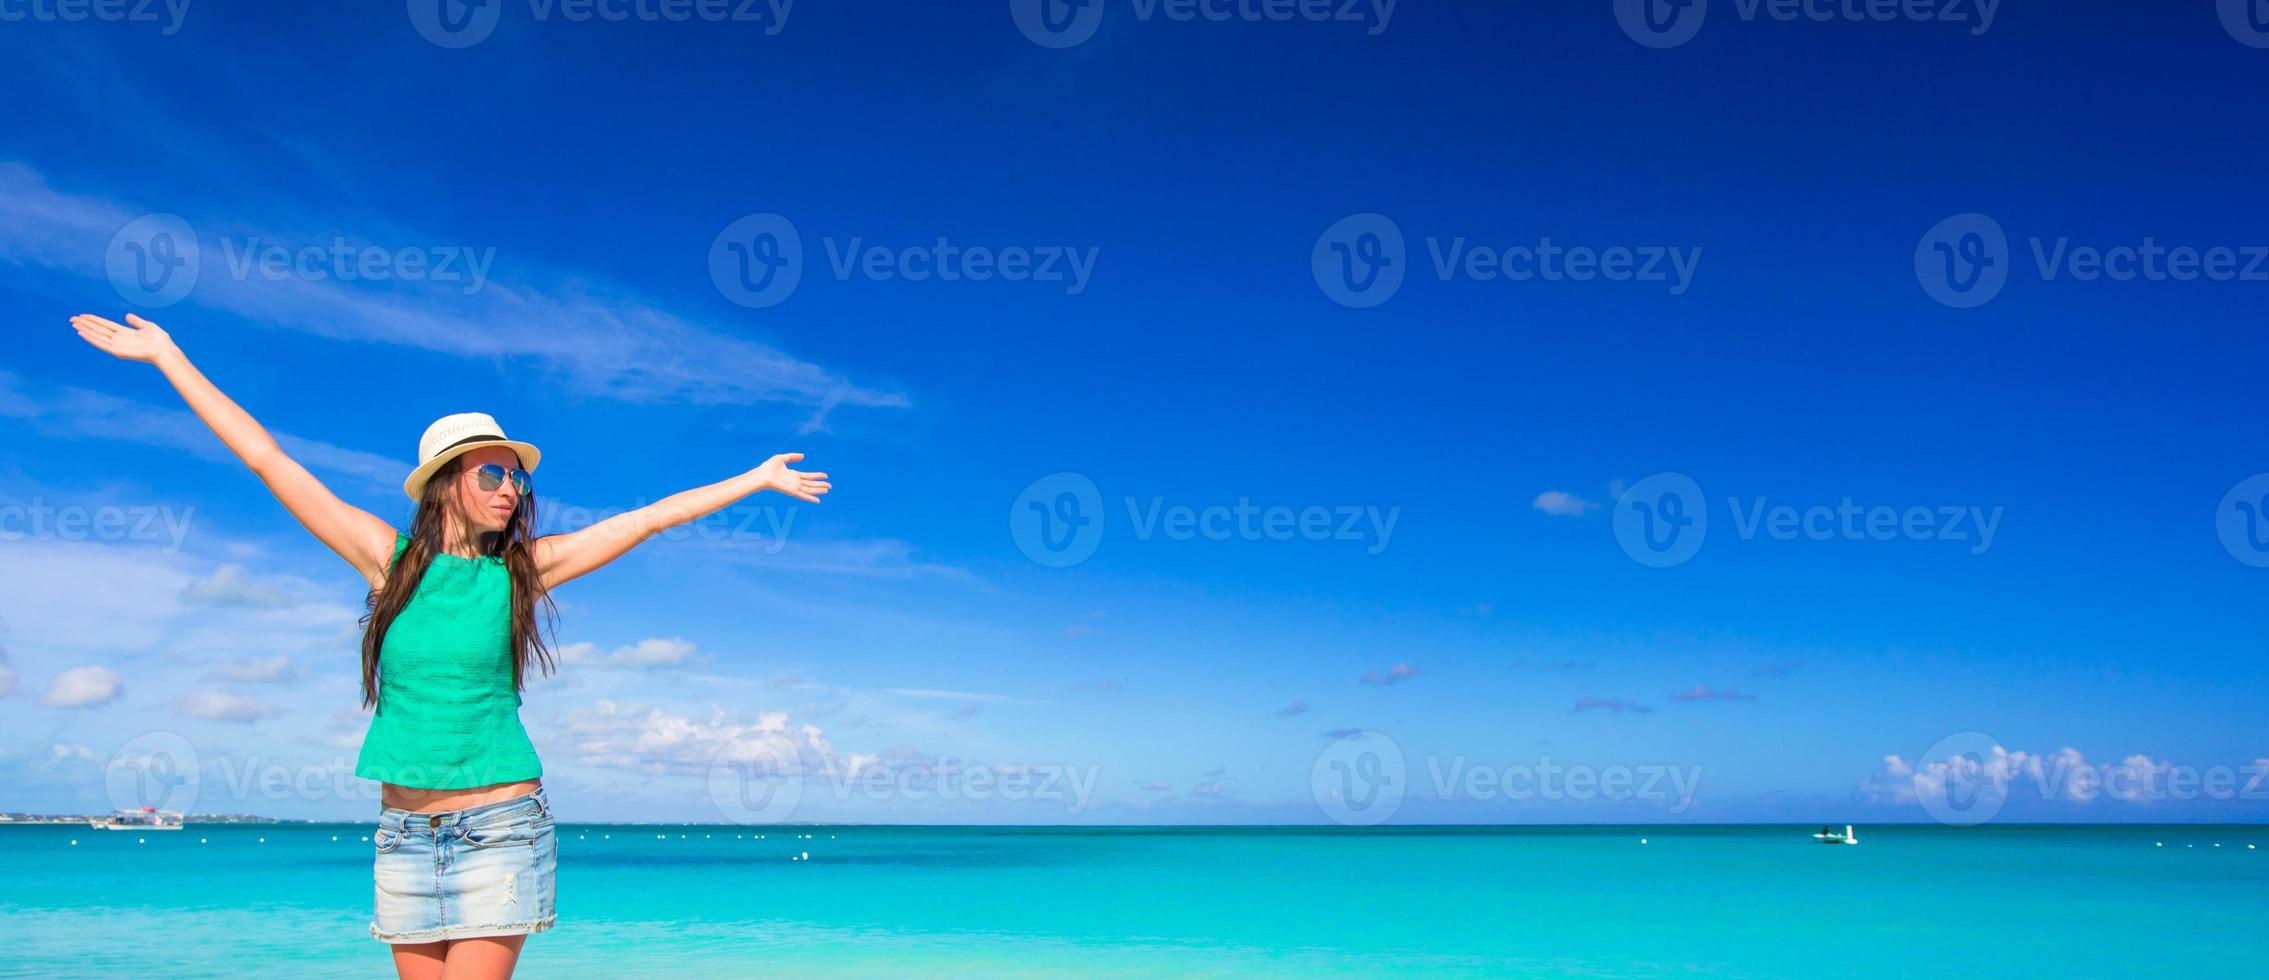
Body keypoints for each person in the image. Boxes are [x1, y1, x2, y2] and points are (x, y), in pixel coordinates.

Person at [70, 312, 831, 980]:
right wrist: (169, 357)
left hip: (499, 827)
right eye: (493, 472)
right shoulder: (388, 561)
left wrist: (755, 479)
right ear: (445, 482)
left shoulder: (523, 574)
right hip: (401, 834)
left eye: (518, 480)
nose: (510, 489)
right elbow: (269, 460)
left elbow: (646, 520)